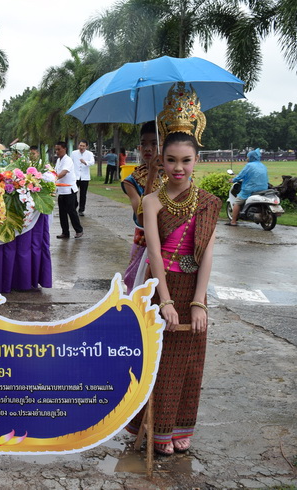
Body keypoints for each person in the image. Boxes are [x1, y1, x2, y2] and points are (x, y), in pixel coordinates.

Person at [127, 88, 221, 456]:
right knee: (160, 361)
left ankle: (181, 427)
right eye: (170, 160)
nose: (178, 168)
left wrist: (198, 303)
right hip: (162, 288)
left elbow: (207, 255)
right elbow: (152, 252)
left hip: (194, 289)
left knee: (190, 365)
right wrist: (164, 302)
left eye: (185, 160)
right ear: (161, 161)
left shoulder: (209, 204)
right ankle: (155, 428)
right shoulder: (152, 201)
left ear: (197, 160)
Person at [121, 122, 164, 292]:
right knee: (138, 289)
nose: (147, 148)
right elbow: (141, 218)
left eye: (154, 143)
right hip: (144, 242)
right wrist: (151, 175)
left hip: (171, 243)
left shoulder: (177, 175)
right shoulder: (131, 181)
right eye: (143, 143)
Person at [226, 148, 268, 226]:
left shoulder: (249, 165)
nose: (247, 158)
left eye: (248, 157)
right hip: (263, 188)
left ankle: (233, 221)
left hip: (250, 188)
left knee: (237, 202)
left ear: (251, 157)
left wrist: (233, 180)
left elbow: (241, 175)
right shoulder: (263, 165)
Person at [53, 141, 83, 239]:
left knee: (71, 211)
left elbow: (64, 172)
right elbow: (55, 172)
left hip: (69, 190)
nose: (57, 152)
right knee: (62, 213)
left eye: (59, 149)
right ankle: (65, 232)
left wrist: (54, 178)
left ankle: (79, 230)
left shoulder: (68, 160)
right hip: (61, 190)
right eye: (56, 150)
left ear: (64, 149)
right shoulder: (58, 160)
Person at [70, 140, 95, 216]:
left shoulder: (89, 154)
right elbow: (70, 162)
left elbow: (92, 162)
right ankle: (74, 205)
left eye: (83, 146)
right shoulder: (74, 153)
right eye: (80, 145)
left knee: (83, 194)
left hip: (85, 177)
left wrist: (85, 162)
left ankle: (81, 209)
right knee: (73, 192)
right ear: (78, 146)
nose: (81, 147)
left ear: (86, 146)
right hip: (75, 176)